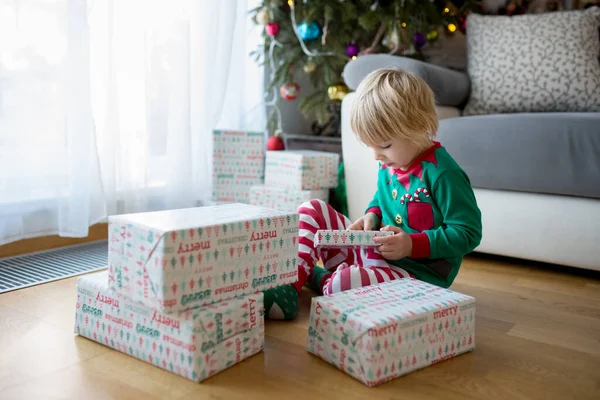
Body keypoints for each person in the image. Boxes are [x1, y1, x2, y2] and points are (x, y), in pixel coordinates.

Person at [263, 68, 482, 320]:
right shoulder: (390, 163)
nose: (376, 156)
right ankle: (290, 283)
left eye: (385, 145)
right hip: (371, 253)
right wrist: (372, 215)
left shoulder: (443, 174)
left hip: (414, 276)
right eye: (371, 146)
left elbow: (468, 233)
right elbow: (382, 197)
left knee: (340, 286)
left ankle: (319, 277)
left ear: (420, 126)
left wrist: (411, 244)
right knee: (312, 208)